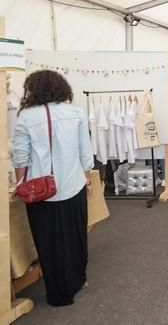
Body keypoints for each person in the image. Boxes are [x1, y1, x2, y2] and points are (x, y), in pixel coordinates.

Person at [12, 70, 93, 306]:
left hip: (40, 192)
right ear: (61, 88)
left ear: (33, 89)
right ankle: (78, 279)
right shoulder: (76, 113)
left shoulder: (26, 117)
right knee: (76, 237)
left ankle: (58, 293)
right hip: (73, 184)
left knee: (48, 243)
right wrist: (87, 179)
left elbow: (20, 158)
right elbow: (85, 152)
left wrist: (20, 184)